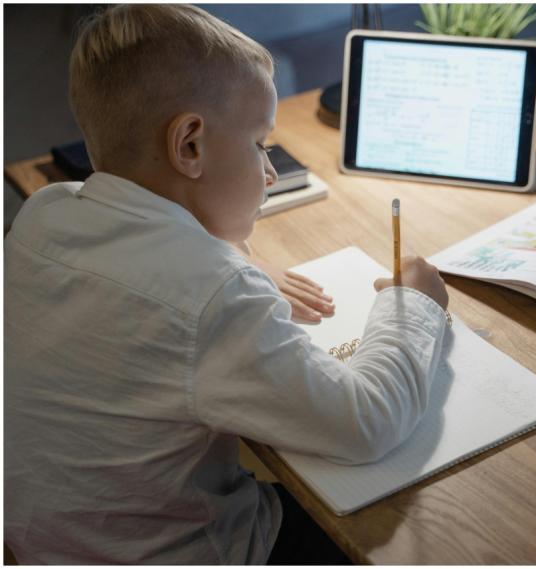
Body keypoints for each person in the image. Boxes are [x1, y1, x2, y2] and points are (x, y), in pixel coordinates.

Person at [4, 5, 449, 564]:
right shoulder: (215, 297)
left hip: (51, 546)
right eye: (259, 142)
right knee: (407, 532)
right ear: (189, 145)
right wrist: (414, 306)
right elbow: (367, 420)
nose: (269, 172)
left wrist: (232, 261)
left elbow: (165, 272)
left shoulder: (44, 212)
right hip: (186, 552)